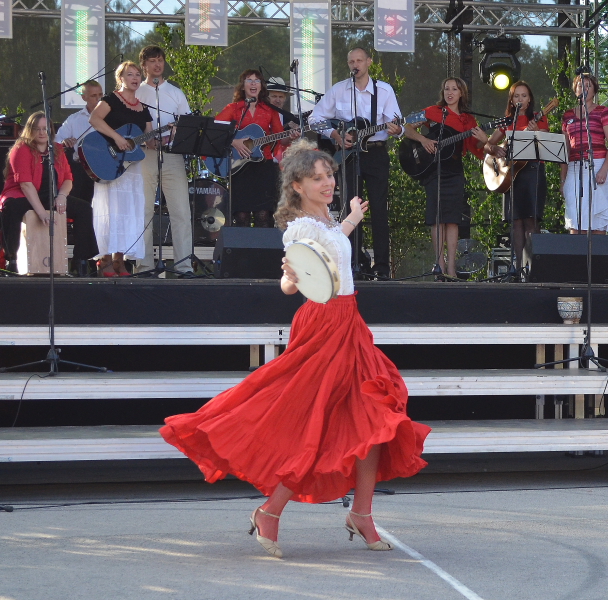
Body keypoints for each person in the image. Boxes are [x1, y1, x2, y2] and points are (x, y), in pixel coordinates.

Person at [160, 139, 430, 559]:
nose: (328, 182)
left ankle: (361, 513)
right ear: (298, 186)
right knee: (314, 424)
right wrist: (290, 278)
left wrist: (351, 219)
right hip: (324, 326)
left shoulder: (326, 221)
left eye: (330, 175)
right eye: (317, 178)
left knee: (377, 418)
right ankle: (269, 511)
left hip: (350, 323)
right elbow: (292, 281)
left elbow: (333, 247)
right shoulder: (301, 228)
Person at [311, 47, 404, 279]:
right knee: (351, 208)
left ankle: (381, 267)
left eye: (359, 60)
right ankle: (354, 264)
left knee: (379, 210)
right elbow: (314, 118)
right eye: (351, 61)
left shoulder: (383, 90)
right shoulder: (339, 89)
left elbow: (397, 124)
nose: (355, 65)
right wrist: (335, 135)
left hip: (376, 153)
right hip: (350, 155)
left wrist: (398, 129)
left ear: (369, 62)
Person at [403, 78, 489, 279]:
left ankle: (451, 268)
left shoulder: (468, 120)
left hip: (455, 171)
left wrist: (485, 141)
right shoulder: (432, 111)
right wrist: (423, 139)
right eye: (446, 89)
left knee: (452, 220)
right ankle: (439, 265)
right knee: (437, 218)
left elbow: (475, 148)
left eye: (454, 89)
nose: (450, 92)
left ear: (461, 93)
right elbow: (406, 127)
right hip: (434, 170)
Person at [0, 112, 99, 274]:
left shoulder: (57, 149)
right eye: (37, 129)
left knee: (84, 209)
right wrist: (41, 213)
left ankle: (80, 261)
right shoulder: (21, 149)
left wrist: (62, 196)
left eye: (45, 129)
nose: (41, 132)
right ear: (29, 130)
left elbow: (68, 179)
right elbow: (25, 185)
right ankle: (12, 259)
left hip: (50, 195)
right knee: (13, 207)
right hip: (22, 194)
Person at [88, 61, 153, 276]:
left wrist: (168, 133)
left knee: (128, 211)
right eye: (130, 74)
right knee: (111, 211)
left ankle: (119, 261)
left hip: (131, 167)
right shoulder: (111, 100)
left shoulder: (144, 109)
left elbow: (149, 140)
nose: (135, 78)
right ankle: (105, 260)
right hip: (110, 162)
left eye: (137, 74)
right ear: (121, 78)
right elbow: (94, 119)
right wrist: (116, 137)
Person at [134, 46, 194, 276]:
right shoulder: (137, 92)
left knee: (181, 212)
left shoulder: (176, 92)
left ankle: (183, 266)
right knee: (144, 211)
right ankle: (144, 266)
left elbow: (188, 123)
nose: (157, 65)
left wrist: (176, 133)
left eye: (160, 60)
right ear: (144, 65)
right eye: (152, 61)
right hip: (144, 155)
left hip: (172, 155)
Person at [486, 81, 549, 272]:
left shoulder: (539, 118)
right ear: (512, 100)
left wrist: (535, 131)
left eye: (524, 95)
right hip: (511, 174)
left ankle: (533, 267)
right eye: (516, 96)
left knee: (531, 220)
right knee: (515, 221)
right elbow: (487, 145)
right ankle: (517, 266)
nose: (520, 99)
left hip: (533, 171)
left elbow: (546, 142)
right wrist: (496, 149)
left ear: (529, 99)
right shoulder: (507, 121)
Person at [215, 69, 286, 228]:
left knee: (264, 215)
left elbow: (280, 136)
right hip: (239, 167)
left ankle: (263, 245)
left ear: (261, 86)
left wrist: (291, 136)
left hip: (264, 166)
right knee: (241, 216)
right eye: (249, 80)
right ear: (242, 86)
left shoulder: (270, 110)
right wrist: (234, 141)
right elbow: (216, 130)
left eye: (257, 80)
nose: (253, 83)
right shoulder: (233, 108)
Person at [560, 73, 608, 234]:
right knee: (575, 220)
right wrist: (563, 179)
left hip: (597, 165)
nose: (583, 88)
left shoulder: (603, 112)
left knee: (598, 220)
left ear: (594, 90)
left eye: (588, 86)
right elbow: (565, 150)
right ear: (575, 89)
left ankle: (597, 251)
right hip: (574, 168)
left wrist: (604, 169)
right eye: (580, 85)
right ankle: (577, 251)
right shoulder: (568, 115)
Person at [56, 79, 102, 208]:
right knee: (82, 205)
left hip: (103, 167)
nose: (98, 99)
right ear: (84, 97)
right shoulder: (74, 119)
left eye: (100, 95)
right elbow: (56, 139)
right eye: (93, 96)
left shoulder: (110, 117)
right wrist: (64, 142)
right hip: (81, 169)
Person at [266, 76, 299, 164]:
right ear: (267, 97)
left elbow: (286, 142)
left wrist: (293, 136)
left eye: (281, 97)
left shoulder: (289, 118)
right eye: (274, 96)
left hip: (282, 160)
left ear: (284, 99)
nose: (278, 100)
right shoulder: (259, 114)